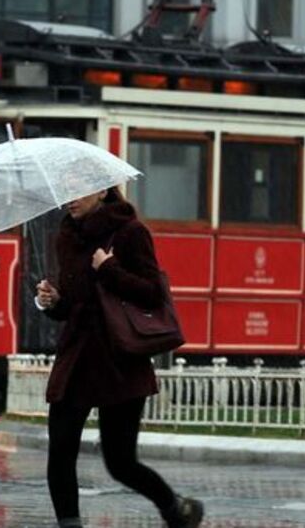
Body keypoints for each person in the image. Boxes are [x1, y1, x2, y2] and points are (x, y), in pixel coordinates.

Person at [36, 187, 203, 528]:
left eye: (78, 191)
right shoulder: (66, 236)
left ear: (101, 190)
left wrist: (109, 268)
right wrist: (53, 301)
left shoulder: (130, 232)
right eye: (66, 192)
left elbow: (152, 293)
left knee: (120, 461)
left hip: (120, 360)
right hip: (77, 357)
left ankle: (175, 509)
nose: (71, 199)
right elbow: (72, 305)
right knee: (61, 452)